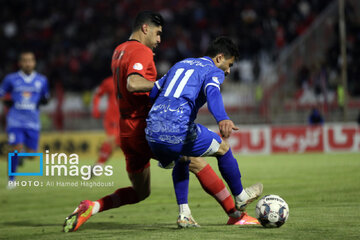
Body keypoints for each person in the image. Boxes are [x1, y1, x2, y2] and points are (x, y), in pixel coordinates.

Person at [63, 11, 257, 233]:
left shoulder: (119, 50)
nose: (159, 40)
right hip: (144, 125)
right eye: (157, 33)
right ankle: (234, 214)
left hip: (125, 130)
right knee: (196, 160)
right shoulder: (140, 50)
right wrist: (165, 85)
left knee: (140, 192)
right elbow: (133, 84)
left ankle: (92, 206)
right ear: (145, 28)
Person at [145, 37, 263, 226]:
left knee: (184, 158)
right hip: (178, 130)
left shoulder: (180, 64)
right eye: (229, 64)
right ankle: (241, 196)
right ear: (219, 58)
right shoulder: (213, 70)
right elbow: (213, 93)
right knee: (223, 147)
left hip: (151, 133)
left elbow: (153, 92)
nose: (228, 70)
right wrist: (222, 117)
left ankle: (184, 214)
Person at [0, 51, 50, 188]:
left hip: (33, 121)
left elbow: (45, 97)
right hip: (15, 120)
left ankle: (21, 155)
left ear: (34, 63)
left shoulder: (42, 80)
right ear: (20, 63)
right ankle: (12, 179)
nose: (28, 63)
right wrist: (8, 102)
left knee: (32, 156)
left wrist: (43, 101)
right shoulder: (11, 79)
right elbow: (2, 93)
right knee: (15, 148)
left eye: (30, 61)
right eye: (25, 61)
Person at [91, 76, 120, 167]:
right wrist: (95, 108)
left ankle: (100, 163)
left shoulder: (133, 81)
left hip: (126, 119)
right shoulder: (109, 82)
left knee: (118, 143)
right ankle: (99, 164)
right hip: (113, 118)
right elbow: (97, 94)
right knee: (112, 139)